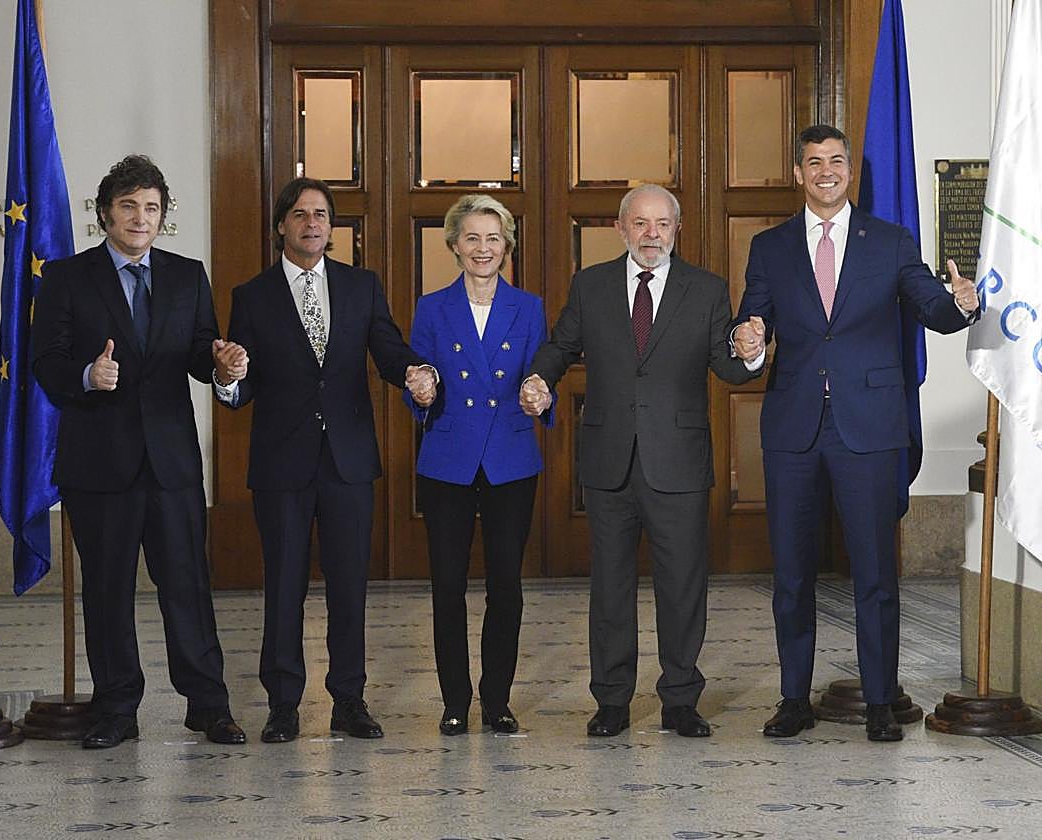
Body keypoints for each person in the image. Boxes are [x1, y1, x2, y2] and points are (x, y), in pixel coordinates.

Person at [733, 124, 979, 742]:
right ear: (797, 173)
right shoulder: (769, 247)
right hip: (793, 429)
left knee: (874, 572)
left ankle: (877, 700)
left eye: (836, 161)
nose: (825, 171)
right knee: (791, 573)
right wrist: (750, 342)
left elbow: (933, 309)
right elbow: (751, 319)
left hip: (868, 429)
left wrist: (963, 304)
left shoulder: (891, 243)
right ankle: (793, 699)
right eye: (813, 162)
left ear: (850, 172)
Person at [520, 184, 759, 739]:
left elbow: (728, 365)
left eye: (663, 224)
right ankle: (611, 700)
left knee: (682, 586)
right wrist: (538, 377)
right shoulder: (591, 285)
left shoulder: (706, 289)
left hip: (677, 460)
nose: (652, 234)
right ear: (622, 228)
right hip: (609, 461)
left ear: (677, 230)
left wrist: (750, 353)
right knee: (610, 587)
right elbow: (560, 347)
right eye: (641, 223)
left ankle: (680, 700)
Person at [31, 155, 245, 748]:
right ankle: (117, 710)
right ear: (106, 213)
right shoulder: (67, 278)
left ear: (162, 217)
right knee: (108, 591)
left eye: (151, 207)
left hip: (171, 463)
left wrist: (223, 368)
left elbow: (202, 354)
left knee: (188, 588)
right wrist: (84, 376)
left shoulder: (186, 275)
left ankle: (209, 705)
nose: (140, 218)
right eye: (128, 206)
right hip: (100, 465)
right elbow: (44, 363)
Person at [212, 177, 436, 744]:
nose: (313, 223)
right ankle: (283, 705)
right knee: (283, 585)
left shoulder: (361, 286)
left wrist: (412, 372)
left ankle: (349, 701)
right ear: (281, 225)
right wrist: (228, 376)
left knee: (348, 586)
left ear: (331, 228)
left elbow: (387, 347)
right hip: (282, 464)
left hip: (348, 461)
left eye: (321, 214)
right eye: (301, 214)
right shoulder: (253, 295)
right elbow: (242, 378)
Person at [404, 195, 550, 736]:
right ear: (454, 245)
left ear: (507, 246)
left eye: (493, 238)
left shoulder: (529, 307)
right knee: (447, 584)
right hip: (449, 459)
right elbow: (417, 379)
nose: (482, 249)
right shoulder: (431, 308)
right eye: (472, 238)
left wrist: (543, 396)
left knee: (505, 586)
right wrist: (418, 390)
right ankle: (453, 702)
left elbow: (542, 375)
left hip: (510, 460)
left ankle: (496, 701)